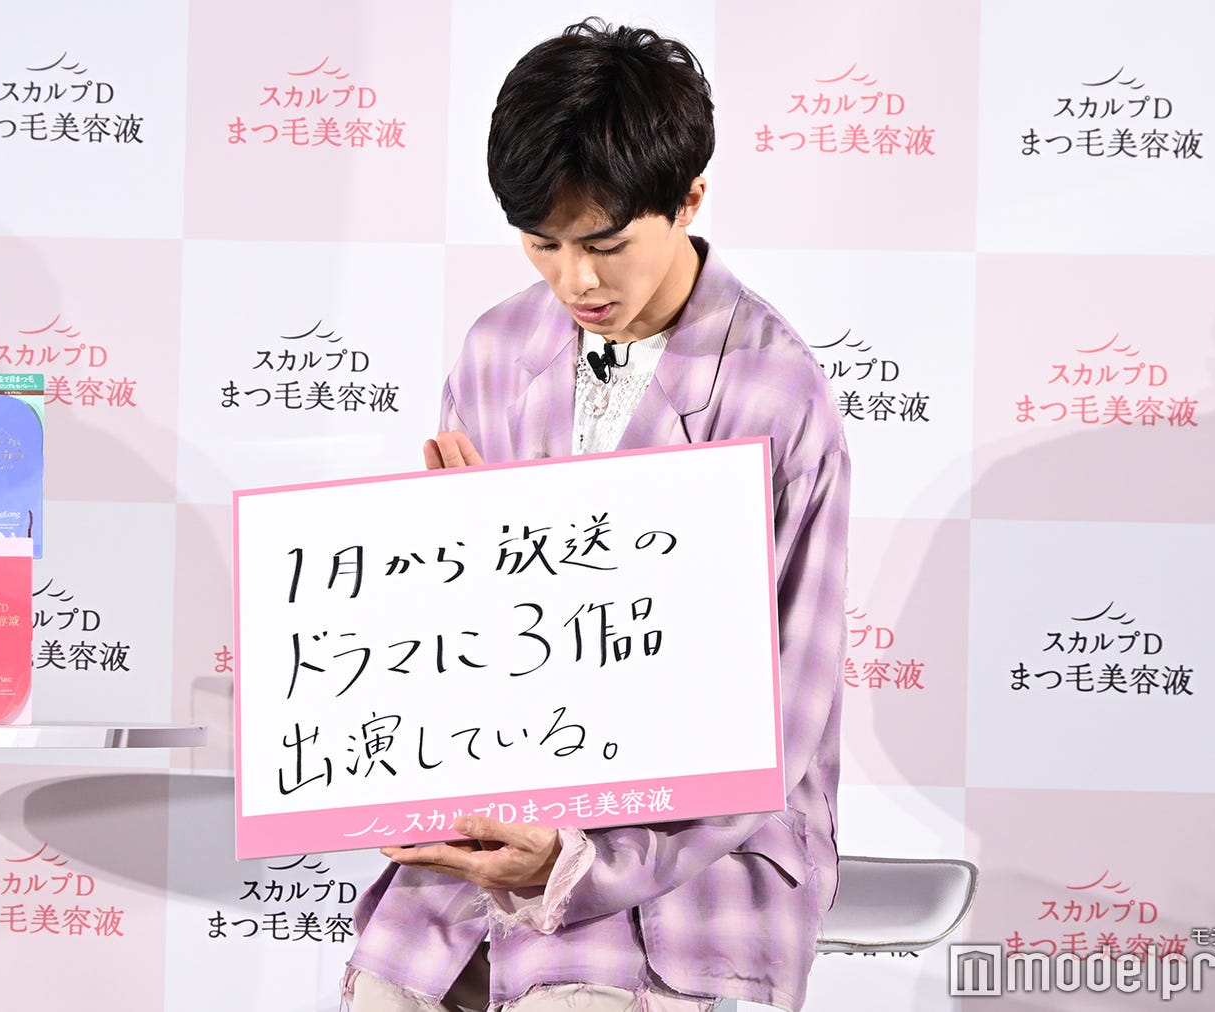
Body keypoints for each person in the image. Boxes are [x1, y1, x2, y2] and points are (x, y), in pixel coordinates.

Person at [345, 19, 848, 1012]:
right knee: (386, 990)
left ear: (688, 198)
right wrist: (449, 576)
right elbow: (451, 649)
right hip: (484, 838)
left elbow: (779, 726)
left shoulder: (775, 394)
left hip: (688, 866)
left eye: (605, 244)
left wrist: (572, 860)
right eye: (544, 243)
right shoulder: (496, 349)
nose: (575, 279)